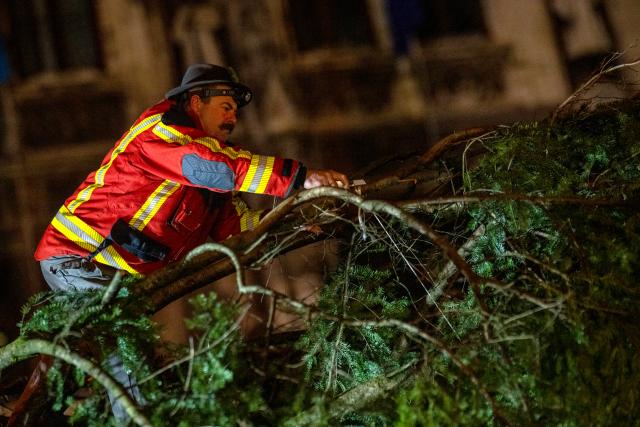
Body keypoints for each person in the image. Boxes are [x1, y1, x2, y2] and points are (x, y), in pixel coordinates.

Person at [31, 63, 348, 423]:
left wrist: (296, 225)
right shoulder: (163, 133)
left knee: (131, 361)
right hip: (79, 259)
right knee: (127, 358)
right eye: (225, 106)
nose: (233, 118)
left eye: (236, 111)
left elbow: (238, 228)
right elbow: (222, 169)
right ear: (196, 101)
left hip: (116, 272)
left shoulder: (207, 160)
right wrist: (303, 178)